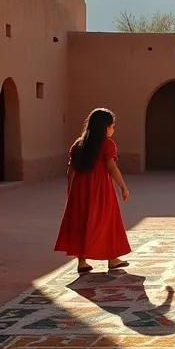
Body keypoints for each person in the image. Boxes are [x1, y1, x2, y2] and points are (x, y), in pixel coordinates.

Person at [54, 108, 132, 273]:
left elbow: (71, 169)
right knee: (108, 220)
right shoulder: (107, 144)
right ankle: (113, 258)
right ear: (105, 127)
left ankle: (82, 261)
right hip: (100, 187)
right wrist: (123, 186)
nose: (113, 129)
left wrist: (71, 188)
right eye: (112, 126)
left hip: (80, 187)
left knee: (83, 220)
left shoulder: (79, 144)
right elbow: (111, 167)